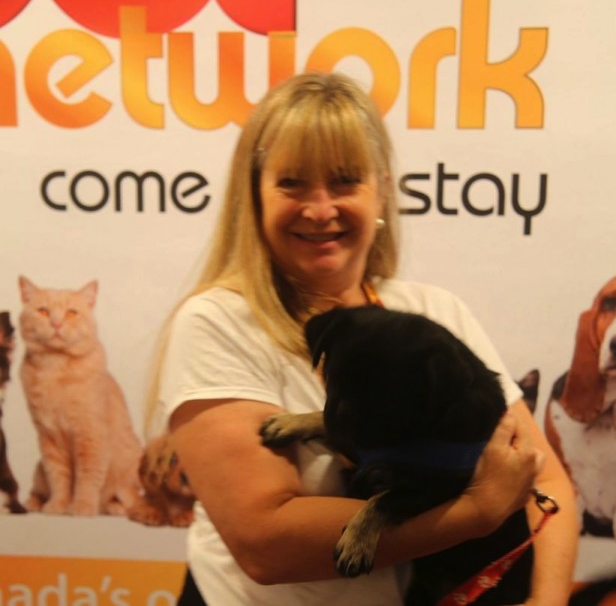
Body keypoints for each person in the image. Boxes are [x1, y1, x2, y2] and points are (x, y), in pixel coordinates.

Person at [154, 72, 578, 606]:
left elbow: (546, 485)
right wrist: (474, 513)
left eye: (344, 180)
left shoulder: (433, 312)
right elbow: (266, 543)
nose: (320, 208)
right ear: (255, 194)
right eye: (292, 183)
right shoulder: (218, 322)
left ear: (381, 189)